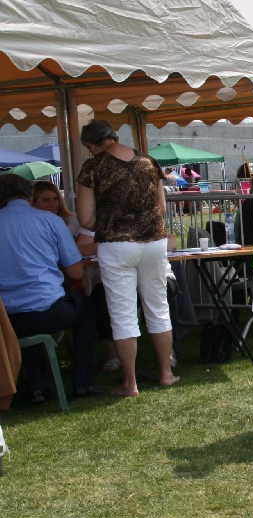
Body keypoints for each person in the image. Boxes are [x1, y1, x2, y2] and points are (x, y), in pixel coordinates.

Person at [76, 119, 179, 397]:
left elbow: (85, 218)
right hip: (153, 242)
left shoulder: (93, 167)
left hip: (117, 245)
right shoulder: (148, 161)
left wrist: (112, 221)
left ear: (90, 145)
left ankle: (130, 383)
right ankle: (166, 373)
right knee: (158, 309)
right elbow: (161, 208)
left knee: (123, 316)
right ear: (115, 136)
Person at [0, 174, 101, 402]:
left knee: (25, 322)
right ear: (29, 195)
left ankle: (37, 386)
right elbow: (76, 272)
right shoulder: (49, 220)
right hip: (47, 310)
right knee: (85, 307)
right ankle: (82, 381)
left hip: (6, 316)